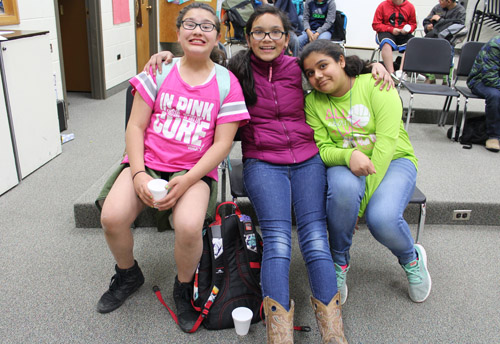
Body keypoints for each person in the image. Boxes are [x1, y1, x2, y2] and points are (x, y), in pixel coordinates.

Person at [146, 7, 392, 343]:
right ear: (247, 38)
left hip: (308, 161)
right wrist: (167, 56)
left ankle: (333, 332)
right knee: (277, 240)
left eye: (275, 32)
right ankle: (279, 334)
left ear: (287, 37)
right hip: (263, 162)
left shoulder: (298, 69)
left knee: (316, 239)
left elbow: (336, 69)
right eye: (259, 32)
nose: (267, 39)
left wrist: (374, 66)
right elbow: (199, 63)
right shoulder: (236, 69)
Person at [94, 2, 250, 334]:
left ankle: (183, 287)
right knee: (111, 217)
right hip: (147, 163)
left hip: (194, 170)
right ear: (177, 32)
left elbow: (223, 144)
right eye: (190, 24)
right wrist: (137, 173)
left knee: (190, 225)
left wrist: (190, 178)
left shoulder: (227, 83)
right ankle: (128, 273)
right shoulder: (159, 71)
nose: (198, 31)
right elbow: (135, 127)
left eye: (207, 26)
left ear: (217, 37)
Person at [299, 40, 432, 306]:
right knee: (344, 191)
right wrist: (349, 155)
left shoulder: (376, 85)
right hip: (346, 163)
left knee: (381, 218)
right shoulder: (313, 102)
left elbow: (385, 145)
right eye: (310, 73)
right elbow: (323, 149)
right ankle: (339, 262)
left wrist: (361, 207)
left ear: (341, 61)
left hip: (394, 160)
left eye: (323, 66)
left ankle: (411, 257)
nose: (317, 76)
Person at [467, 35, 500, 152]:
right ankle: (493, 136)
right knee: (495, 96)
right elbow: (490, 77)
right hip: (481, 80)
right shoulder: (496, 45)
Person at [422, 0, 466, 84]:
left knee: (449, 52)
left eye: (441, 0)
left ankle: (447, 79)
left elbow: (458, 26)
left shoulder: (460, 11)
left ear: (449, 2)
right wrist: (427, 26)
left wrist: (440, 20)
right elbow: (427, 20)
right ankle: (430, 76)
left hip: (449, 39)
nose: (439, 1)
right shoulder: (437, 7)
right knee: (424, 48)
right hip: (434, 36)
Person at [372, 0, 417, 77]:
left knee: (411, 44)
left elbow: (413, 24)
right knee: (386, 42)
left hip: (403, 33)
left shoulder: (410, 6)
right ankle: (391, 74)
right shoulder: (383, 5)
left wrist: (408, 29)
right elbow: (376, 24)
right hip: (386, 31)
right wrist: (391, 29)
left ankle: (401, 73)